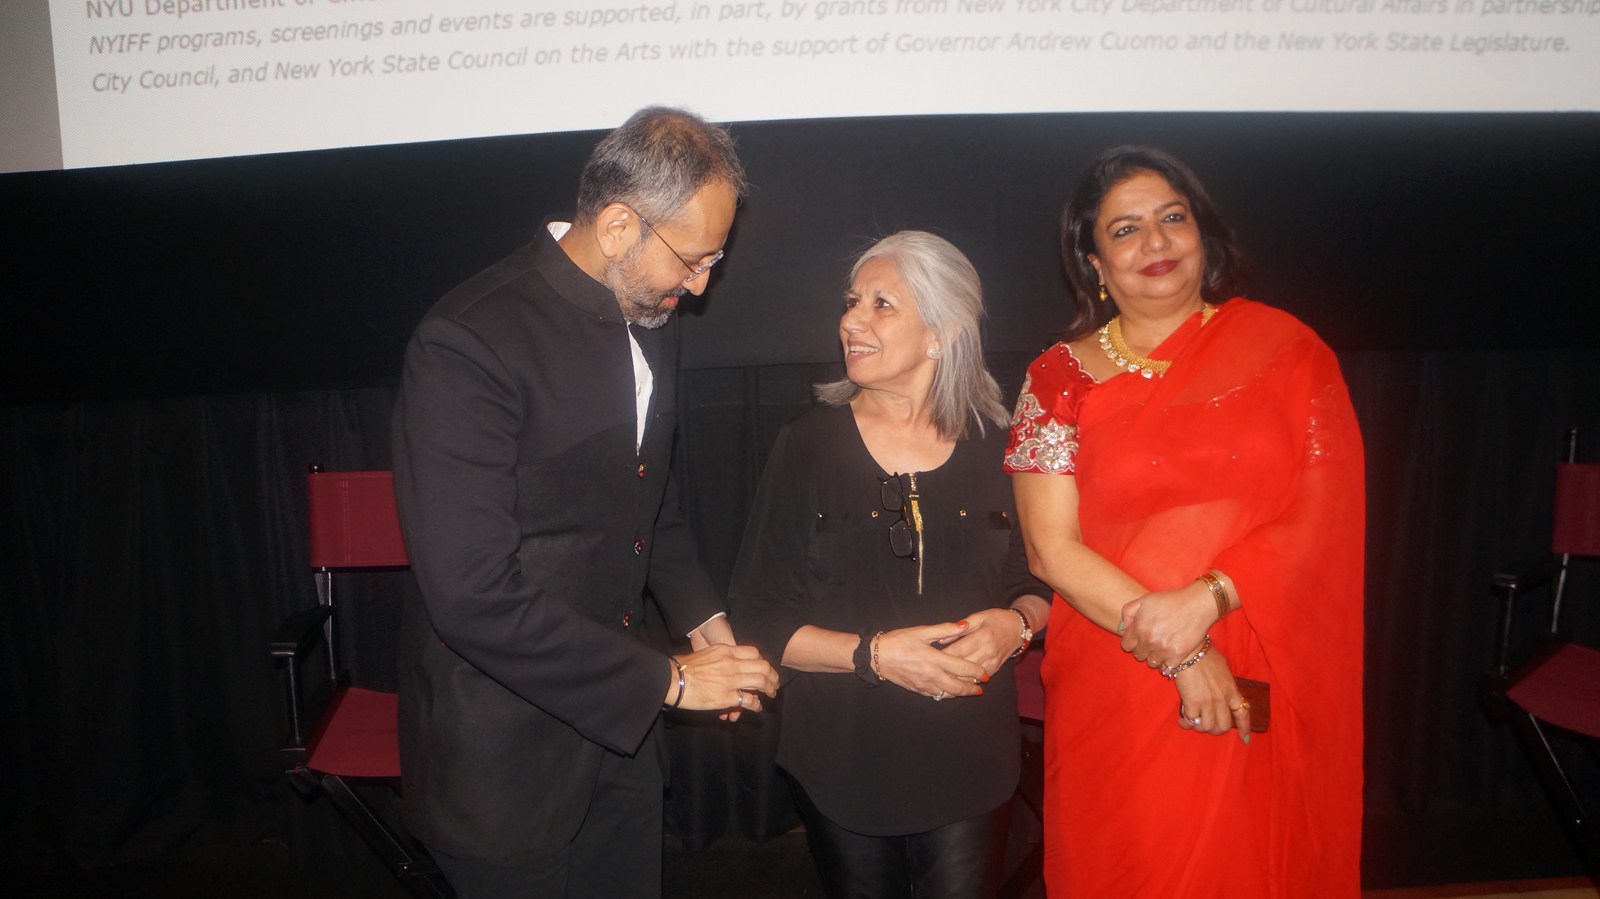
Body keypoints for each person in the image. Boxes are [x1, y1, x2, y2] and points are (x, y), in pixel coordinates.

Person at [390, 106, 780, 899]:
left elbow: (650, 501)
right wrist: (672, 682)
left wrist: (707, 624)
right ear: (617, 225)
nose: (701, 286)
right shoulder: (467, 341)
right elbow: (471, 596)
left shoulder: (649, 309)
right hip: (503, 756)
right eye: (693, 259)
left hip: (620, 737)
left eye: (713, 260)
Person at [1004, 145, 1365, 896]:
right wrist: (1183, 651)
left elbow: (1325, 512)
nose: (1156, 242)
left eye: (1172, 218)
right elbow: (1050, 549)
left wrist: (1210, 597)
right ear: (1095, 263)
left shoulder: (1288, 353)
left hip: (1259, 645)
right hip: (1122, 664)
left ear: (1203, 232)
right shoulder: (1058, 377)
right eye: (1125, 229)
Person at [730, 231, 1051, 899]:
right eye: (852, 301)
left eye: (882, 304)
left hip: (971, 757)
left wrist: (1017, 624)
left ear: (943, 332)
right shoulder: (807, 446)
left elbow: (1039, 577)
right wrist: (874, 655)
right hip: (844, 759)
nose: (852, 320)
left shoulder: (1001, 444)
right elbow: (760, 617)